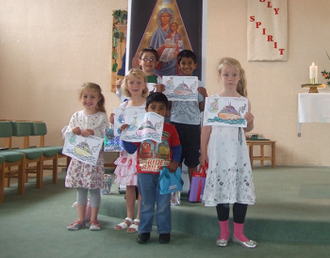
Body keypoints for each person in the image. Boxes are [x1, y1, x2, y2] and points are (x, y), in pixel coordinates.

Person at [200, 57, 257, 248]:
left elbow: (247, 129)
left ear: (239, 77)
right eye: (226, 74)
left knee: (240, 191)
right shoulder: (213, 101)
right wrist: (203, 151)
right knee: (221, 190)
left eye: (234, 74)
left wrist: (249, 120)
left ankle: (239, 233)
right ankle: (224, 232)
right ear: (220, 76)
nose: (230, 78)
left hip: (237, 151)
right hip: (218, 150)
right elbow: (206, 128)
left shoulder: (243, 102)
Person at [121, 92, 181, 244]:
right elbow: (130, 148)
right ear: (146, 110)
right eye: (153, 107)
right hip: (144, 173)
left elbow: (177, 147)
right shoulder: (141, 128)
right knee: (146, 203)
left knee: (163, 204)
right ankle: (144, 231)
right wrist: (125, 133)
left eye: (161, 108)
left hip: (164, 174)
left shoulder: (170, 129)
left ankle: (164, 231)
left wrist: (175, 161)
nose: (157, 111)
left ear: (167, 112)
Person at [65, 82, 110, 231]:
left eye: (92, 97)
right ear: (81, 97)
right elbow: (67, 135)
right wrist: (73, 130)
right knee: (81, 188)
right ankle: (80, 219)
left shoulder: (102, 117)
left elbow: (107, 136)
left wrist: (93, 133)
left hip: (94, 160)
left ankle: (94, 220)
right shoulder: (76, 116)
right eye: (85, 96)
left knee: (95, 189)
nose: (88, 100)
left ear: (98, 99)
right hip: (79, 159)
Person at [112, 69, 149, 233]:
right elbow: (117, 131)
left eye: (138, 82)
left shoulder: (148, 105)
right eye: (131, 82)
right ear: (126, 85)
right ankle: (128, 216)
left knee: (141, 185)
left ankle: (139, 217)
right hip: (128, 152)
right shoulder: (123, 106)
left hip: (143, 151)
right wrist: (115, 124)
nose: (135, 85)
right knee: (129, 185)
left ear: (144, 85)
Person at [170, 49, 207, 184]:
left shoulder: (200, 84)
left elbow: (203, 109)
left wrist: (205, 96)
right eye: (183, 63)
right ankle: (175, 192)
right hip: (176, 125)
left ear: (195, 65)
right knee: (176, 160)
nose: (186, 66)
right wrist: (165, 93)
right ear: (178, 65)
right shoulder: (172, 83)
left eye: (190, 63)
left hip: (193, 127)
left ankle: (195, 193)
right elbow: (168, 108)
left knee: (193, 162)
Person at [150, 8, 183, 76]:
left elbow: (181, 47)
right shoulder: (157, 33)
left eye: (167, 16)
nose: (165, 18)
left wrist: (177, 53)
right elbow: (151, 50)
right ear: (159, 18)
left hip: (173, 65)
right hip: (159, 64)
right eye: (163, 16)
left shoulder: (177, 34)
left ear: (170, 18)